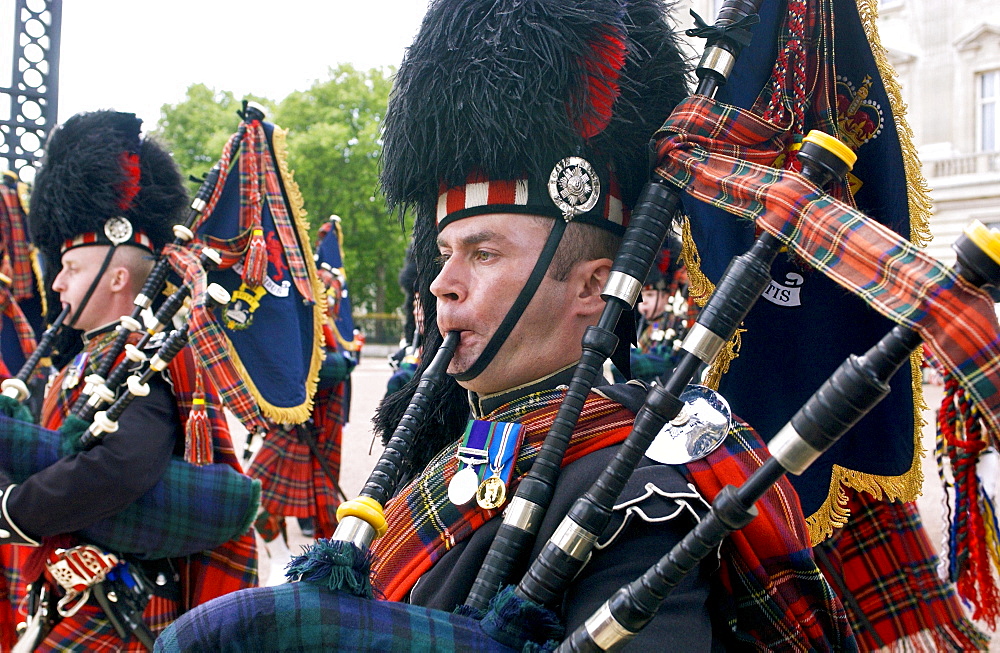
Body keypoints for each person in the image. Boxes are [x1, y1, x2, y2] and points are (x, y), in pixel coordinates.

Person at [155, 1, 854, 651]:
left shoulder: (647, 488)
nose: (441, 282)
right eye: (444, 252)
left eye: (483, 252)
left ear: (591, 286)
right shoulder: (472, 442)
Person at [0, 110, 258, 651]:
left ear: (117, 275)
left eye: (71, 268)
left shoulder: (145, 356)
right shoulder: (90, 358)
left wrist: (16, 510)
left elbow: (119, 468)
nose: (57, 282)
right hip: (68, 593)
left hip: (114, 610)